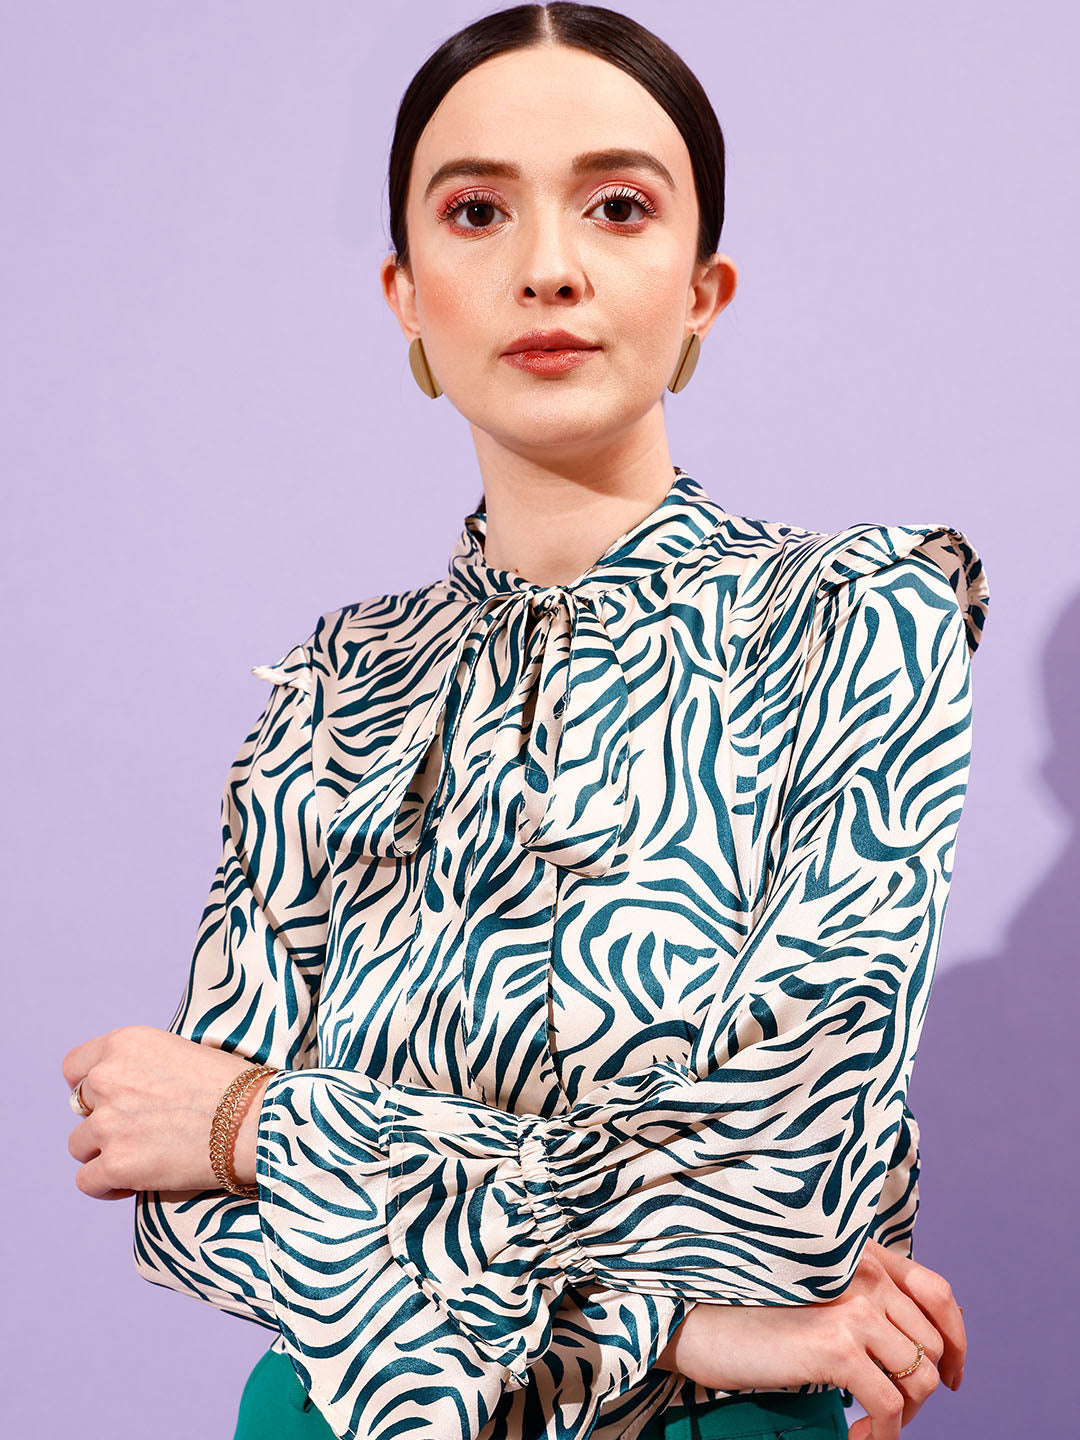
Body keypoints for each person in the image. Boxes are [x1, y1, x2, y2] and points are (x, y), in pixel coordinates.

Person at [62, 5, 985, 1439]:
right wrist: (693, 1323)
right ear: (406, 294)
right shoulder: (335, 685)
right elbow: (185, 1217)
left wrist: (254, 1121)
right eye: (477, 212)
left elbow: (778, 1197)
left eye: (618, 207)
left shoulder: (859, 618)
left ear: (705, 288)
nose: (547, 266)